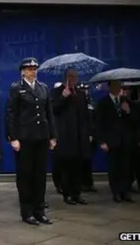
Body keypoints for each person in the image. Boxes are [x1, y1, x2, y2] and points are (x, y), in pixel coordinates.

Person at [5, 57, 56, 226]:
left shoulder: (43, 88)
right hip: (25, 138)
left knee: (40, 175)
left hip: (41, 137)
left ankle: (39, 210)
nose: (32, 71)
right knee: (25, 175)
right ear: (22, 71)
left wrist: (52, 136)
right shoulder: (16, 88)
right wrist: (13, 138)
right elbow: (11, 114)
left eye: (35, 68)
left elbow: (49, 113)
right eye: (29, 69)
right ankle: (27, 212)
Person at [50, 69, 91, 205]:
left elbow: (85, 115)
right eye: (70, 77)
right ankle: (67, 194)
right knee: (66, 167)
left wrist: (87, 133)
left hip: (79, 136)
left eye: (75, 77)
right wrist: (63, 97)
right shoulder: (56, 92)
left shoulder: (80, 94)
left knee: (78, 166)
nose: (73, 79)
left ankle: (77, 193)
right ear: (65, 78)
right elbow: (52, 110)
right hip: (65, 136)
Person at [95, 80, 135, 203]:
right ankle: (116, 192)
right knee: (114, 168)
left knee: (126, 167)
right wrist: (102, 141)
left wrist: (128, 112)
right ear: (109, 87)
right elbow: (98, 123)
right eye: (115, 85)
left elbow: (134, 121)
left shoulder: (126, 101)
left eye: (119, 85)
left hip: (125, 140)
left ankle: (125, 191)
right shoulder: (103, 103)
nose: (118, 88)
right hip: (111, 141)